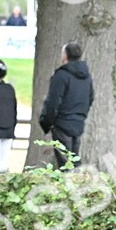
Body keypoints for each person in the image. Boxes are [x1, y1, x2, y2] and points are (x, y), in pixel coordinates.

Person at [38, 42, 94, 170]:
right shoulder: (87, 77)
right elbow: (90, 98)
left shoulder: (61, 75)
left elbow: (53, 102)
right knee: (74, 160)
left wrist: (47, 122)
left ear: (65, 56)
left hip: (62, 123)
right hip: (78, 122)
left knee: (65, 164)